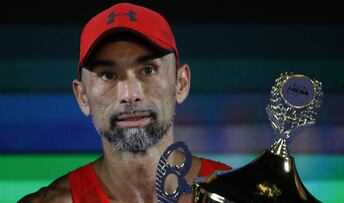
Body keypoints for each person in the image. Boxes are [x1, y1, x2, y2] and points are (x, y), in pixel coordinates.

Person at [19, 3, 231, 203]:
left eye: (148, 70)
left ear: (181, 83)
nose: (129, 94)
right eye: (107, 75)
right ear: (82, 96)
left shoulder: (236, 193)